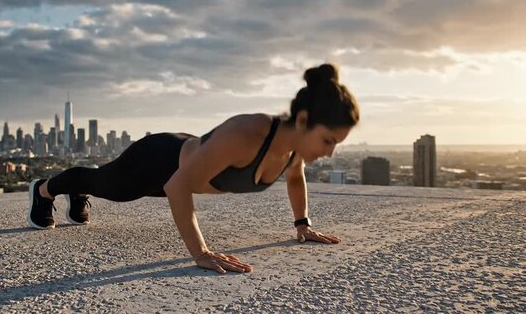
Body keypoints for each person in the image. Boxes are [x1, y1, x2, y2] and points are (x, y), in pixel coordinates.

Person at [27, 63, 359, 275]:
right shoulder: (249, 133)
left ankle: (76, 188)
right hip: (158, 160)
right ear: (303, 121)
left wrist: (302, 224)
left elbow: (295, 178)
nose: (329, 153)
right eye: (328, 140)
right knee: (109, 186)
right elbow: (176, 186)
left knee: (103, 182)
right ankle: (43, 189)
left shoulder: (293, 149)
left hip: (185, 159)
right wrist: (200, 252)